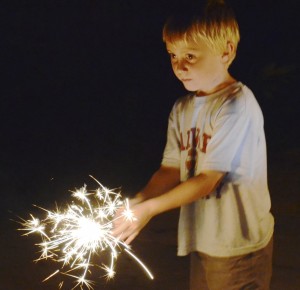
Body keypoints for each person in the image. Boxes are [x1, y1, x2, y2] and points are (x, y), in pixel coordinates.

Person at [113, 0, 274, 289]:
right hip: (204, 238)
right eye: (173, 55)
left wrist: (151, 209)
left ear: (226, 51)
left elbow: (207, 180)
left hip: (239, 246)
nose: (179, 66)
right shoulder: (182, 108)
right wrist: (139, 200)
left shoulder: (237, 105)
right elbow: (170, 169)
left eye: (190, 55)